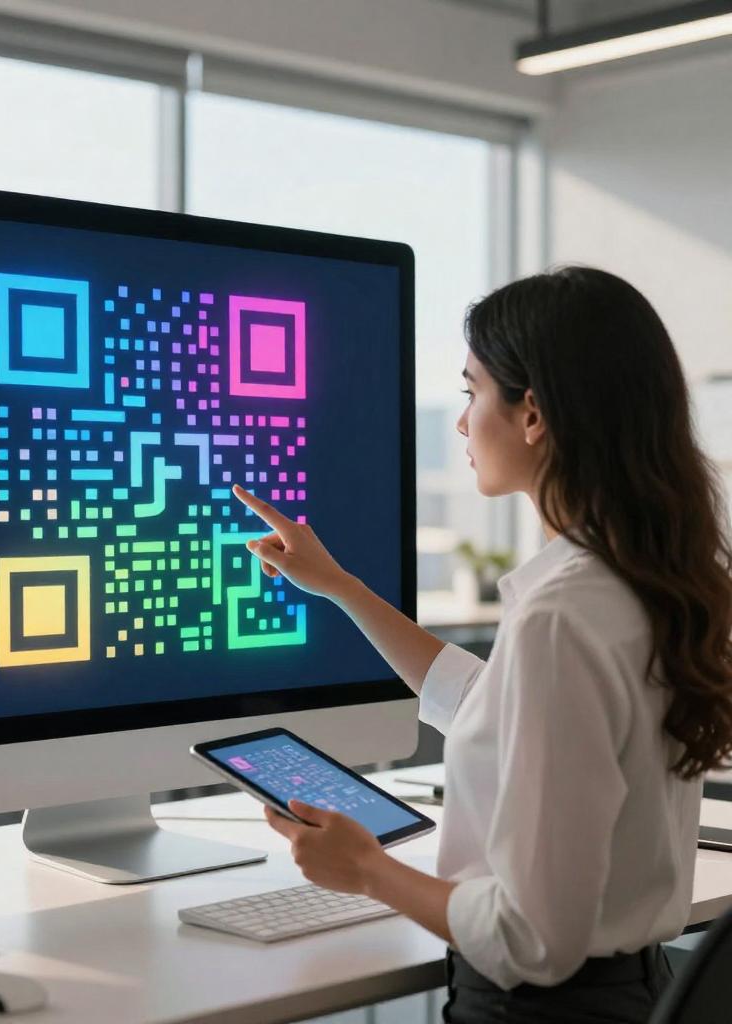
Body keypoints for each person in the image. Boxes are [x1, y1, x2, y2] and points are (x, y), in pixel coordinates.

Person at [231, 265, 732, 1023]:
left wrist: (365, 869)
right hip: (630, 995)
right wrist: (342, 587)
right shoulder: (640, 582)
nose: (462, 423)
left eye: (472, 392)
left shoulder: (560, 617)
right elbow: (493, 710)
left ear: (533, 413)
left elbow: (531, 939)